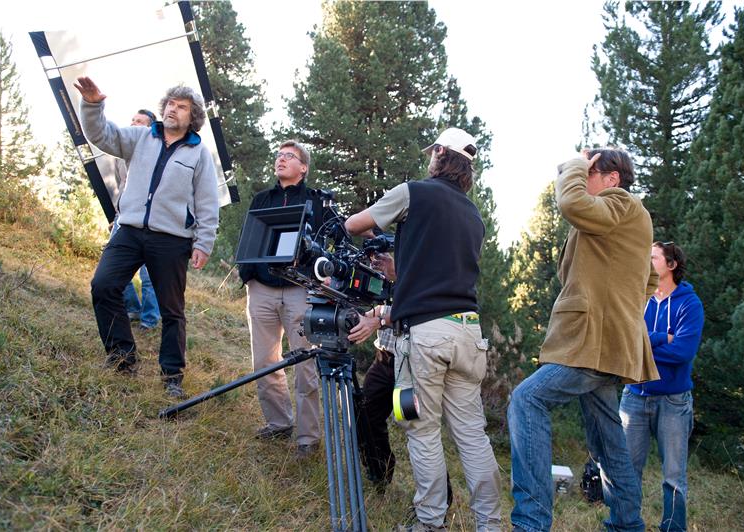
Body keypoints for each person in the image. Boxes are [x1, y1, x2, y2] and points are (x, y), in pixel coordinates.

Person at [345, 127, 502, 532]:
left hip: (424, 341)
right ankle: (490, 523)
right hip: (468, 336)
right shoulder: (474, 216)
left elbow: (354, 224)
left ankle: (430, 523)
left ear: (439, 155)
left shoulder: (414, 191)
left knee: (420, 428)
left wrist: (382, 235)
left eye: (433, 151)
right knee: (472, 436)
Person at [507, 148, 660, 532]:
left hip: (592, 343)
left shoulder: (621, 201)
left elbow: (571, 201)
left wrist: (576, 162)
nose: (581, 178)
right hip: (607, 343)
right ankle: (627, 525)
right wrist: (623, 311)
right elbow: (650, 280)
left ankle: (531, 523)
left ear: (611, 179)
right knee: (609, 441)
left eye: (589, 172)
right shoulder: (621, 217)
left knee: (527, 399)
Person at [75, 76, 220, 398]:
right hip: (128, 229)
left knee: (172, 310)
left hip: (171, 239)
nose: (173, 110)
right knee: (103, 285)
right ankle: (122, 359)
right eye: (170, 104)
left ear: (192, 116)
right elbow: (102, 135)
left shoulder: (199, 154)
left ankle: (172, 376)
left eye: (181, 107)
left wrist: (203, 243)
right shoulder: (141, 137)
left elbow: (207, 202)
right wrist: (92, 105)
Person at [237, 141, 325, 458]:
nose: (281, 159)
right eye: (278, 155)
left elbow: (328, 242)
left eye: (289, 156)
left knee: (304, 362)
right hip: (261, 288)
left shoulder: (316, 202)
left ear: (303, 167)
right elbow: (249, 236)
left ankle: (307, 437)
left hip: (300, 289)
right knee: (264, 361)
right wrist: (247, 275)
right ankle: (279, 423)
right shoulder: (262, 199)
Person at [619, 241, 704, 532]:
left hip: (673, 401)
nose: (645, 262)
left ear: (671, 265)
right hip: (633, 397)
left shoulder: (689, 303)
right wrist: (662, 337)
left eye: (652, 257)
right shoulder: (637, 298)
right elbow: (625, 341)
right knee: (627, 473)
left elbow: (683, 352)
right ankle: (626, 526)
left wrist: (645, 342)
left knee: (673, 477)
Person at [109, 109, 160, 331]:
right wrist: (115, 216)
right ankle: (132, 308)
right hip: (123, 217)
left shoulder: (158, 153)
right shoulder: (121, 154)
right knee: (113, 269)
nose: (133, 123)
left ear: (149, 128)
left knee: (149, 275)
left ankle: (149, 319)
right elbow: (120, 187)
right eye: (132, 120)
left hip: (151, 220)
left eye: (139, 122)